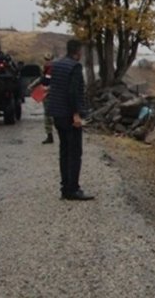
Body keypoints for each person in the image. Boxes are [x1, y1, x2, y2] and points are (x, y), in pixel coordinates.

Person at [46, 40, 93, 201]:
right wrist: (76, 114)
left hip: (57, 114)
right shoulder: (75, 67)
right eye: (81, 51)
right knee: (75, 153)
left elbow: (53, 87)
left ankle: (65, 187)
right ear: (77, 51)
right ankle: (73, 189)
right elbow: (73, 92)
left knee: (64, 151)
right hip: (69, 115)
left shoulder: (57, 64)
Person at [31, 53, 55, 144]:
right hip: (45, 94)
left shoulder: (55, 69)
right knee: (47, 115)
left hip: (53, 94)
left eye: (49, 59)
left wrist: (49, 88)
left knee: (56, 116)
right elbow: (42, 79)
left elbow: (57, 82)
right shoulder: (45, 69)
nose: (47, 61)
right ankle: (49, 135)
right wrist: (32, 85)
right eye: (46, 59)